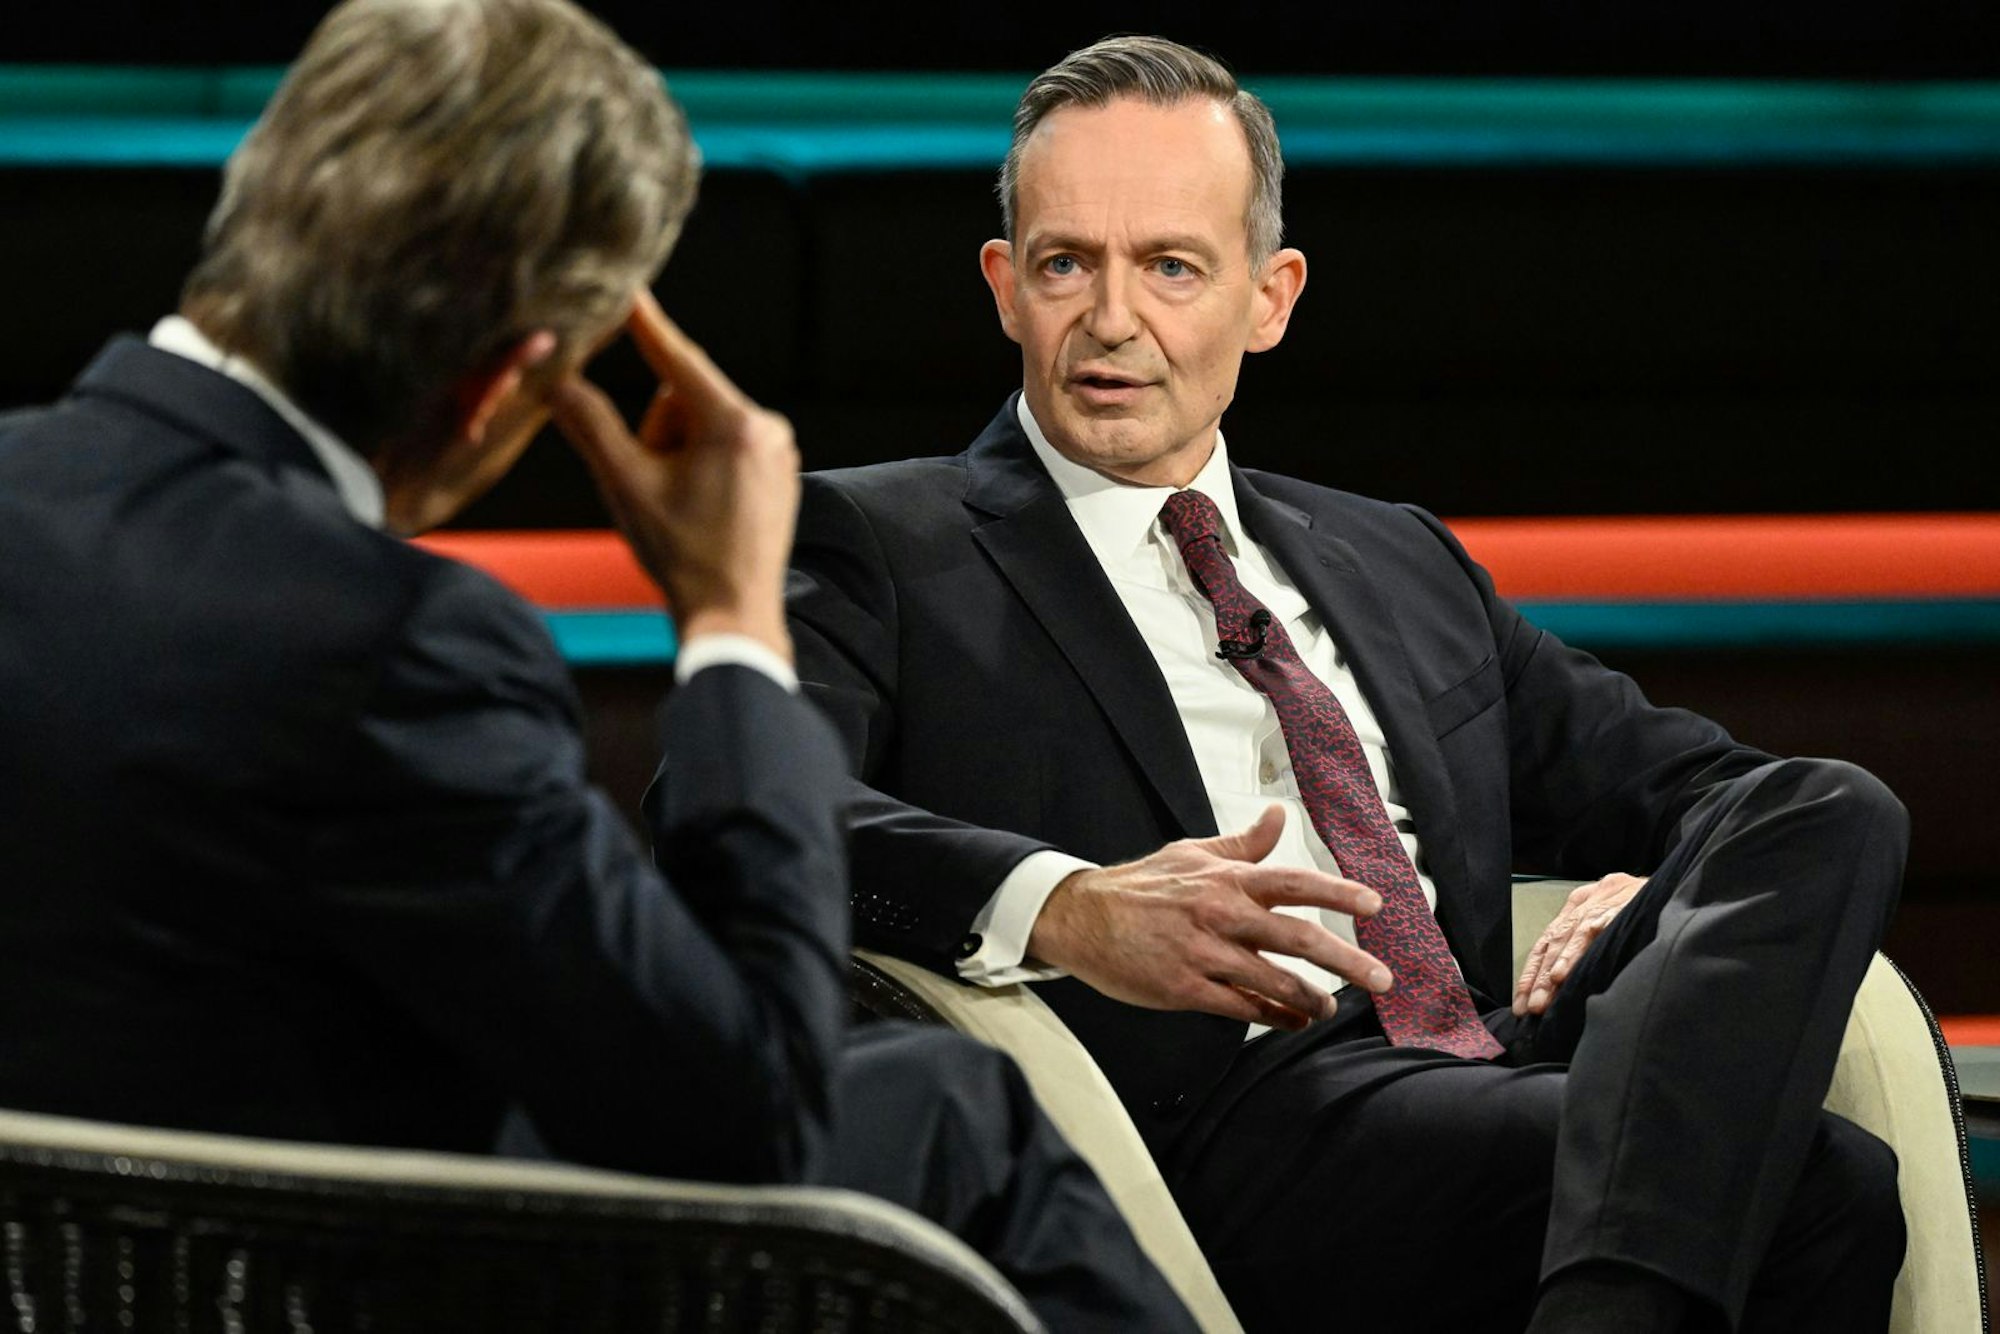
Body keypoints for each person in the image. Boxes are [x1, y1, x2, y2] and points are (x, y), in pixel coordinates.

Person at [0, 3, 1198, 1327]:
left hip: (76, 1244)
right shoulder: (399, 646)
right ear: (509, 383)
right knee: (959, 1112)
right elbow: (751, 1111)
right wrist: (734, 620)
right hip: (325, 1270)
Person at [787, 34, 1911, 1334]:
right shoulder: (881, 542)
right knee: (1827, 1188)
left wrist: (1660, 896)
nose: (1111, 320)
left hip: (1490, 1055)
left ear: (1269, 297)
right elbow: (745, 807)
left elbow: (1720, 793)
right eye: (1064, 265)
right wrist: (1074, 907)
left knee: (1835, 807)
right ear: (1003, 286)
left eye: (1168, 267)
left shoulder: (1396, 556)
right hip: (1240, 1111)